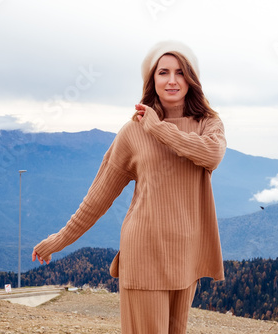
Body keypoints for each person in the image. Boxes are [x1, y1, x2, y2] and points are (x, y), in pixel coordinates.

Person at [32, 40, 226, 333]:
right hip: (145, 253)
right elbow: (99, 196)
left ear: (192, 79)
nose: (172, 80)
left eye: (180, 72)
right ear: (152, 79)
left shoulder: (207, 123)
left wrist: (159, 128)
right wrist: (58, 240)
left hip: (187, 257)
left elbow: (211, 155)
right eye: (163, 72)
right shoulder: (133, 131)